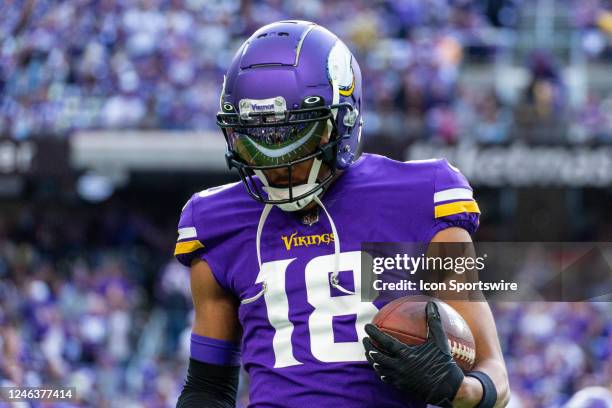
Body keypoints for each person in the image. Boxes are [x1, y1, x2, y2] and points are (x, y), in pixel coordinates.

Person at [174, 20, 509, 408]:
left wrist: (461, 390)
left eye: (294, 135)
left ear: (343, 121)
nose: (276, 162)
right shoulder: (216, 222)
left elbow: (494, 373)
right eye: (258, 140)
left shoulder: (421, 196)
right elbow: (207, 390)